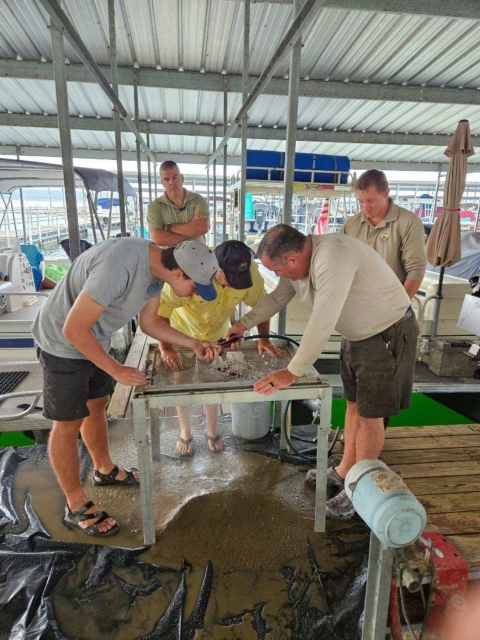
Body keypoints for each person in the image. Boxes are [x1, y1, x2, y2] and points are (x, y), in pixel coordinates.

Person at [226, 224, 419, 520]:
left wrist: (291, 373)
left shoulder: (332, 256)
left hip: (386, 334)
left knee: (371, 416)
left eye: (276, 270)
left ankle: (360, 491)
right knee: (354, 406)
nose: (277, 276)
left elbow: (322, 320)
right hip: (357, 335)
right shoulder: (298, 267)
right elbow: (277, 298)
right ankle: (345, 472)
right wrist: (243, 324)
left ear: (292, 260)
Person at [32, 237, 221, 537]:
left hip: (96, 339)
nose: (195, 294)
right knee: (67, 424)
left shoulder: (159, 269)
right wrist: (115, 368)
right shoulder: (119, 265)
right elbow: (73, 328)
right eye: (195, 287)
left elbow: (149, 324)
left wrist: (194, 343)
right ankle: (75, 503)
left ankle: (104, 470)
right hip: (63, 342)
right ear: (178, 273)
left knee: (96, 406)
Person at [158, 240, 283, 456]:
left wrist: (263, 339)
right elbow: (161, 312)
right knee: (181, 381)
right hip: (182, 332)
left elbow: (262, 305)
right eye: (229, 280)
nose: (235, 286)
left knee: (213, 379)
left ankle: (212, 429)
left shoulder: (250, 272)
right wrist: (167, 347)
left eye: (240, 281)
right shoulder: (194, 271)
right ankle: (185, 431)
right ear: (216, 268)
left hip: (217, 333)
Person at [340, 169, 426, 299]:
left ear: (386, 193)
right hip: (357, 302)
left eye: (370, 201)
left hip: (392, 302)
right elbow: (341, 261)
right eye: (360, 201)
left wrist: (399, 307)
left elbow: (416, 270)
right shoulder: (351, 224)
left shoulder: (408, 222)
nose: (365, 207)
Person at [147, 161, 210, 246]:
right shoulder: (155, 206)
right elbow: (157, 238)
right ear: (162, 182)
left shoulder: (198, 200)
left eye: (175, 177)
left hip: (198, 256)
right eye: (166, 179)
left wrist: (170, 227)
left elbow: (203, 227)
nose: (171, 183)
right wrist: (191, 230)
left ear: (182, 178)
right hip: (169, 257)